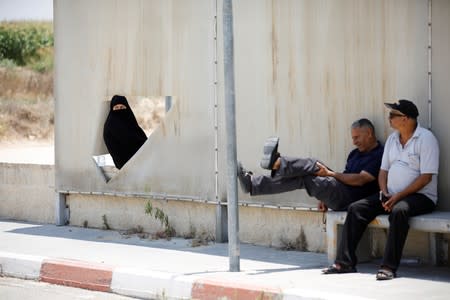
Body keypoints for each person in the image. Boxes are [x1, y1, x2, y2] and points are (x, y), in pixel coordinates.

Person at [323, 99, 439, 280]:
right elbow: (383, 171)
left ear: (406, 119)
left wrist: (398, 196)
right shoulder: (393, 139)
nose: (389, 118)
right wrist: (384, 193)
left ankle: (388, 267)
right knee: (356, 208)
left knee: (399, 211)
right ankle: (344, 263)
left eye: (393, 115)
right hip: (390, 194)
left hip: (420, 196)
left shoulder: (426, 139)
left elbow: (426, 178)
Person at [237, 118, 384, 211]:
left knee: (313, 166)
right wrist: (324, 196)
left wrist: (330, 174)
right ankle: (255, 182)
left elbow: (360, 180)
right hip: (341, 193)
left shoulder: (379, 154)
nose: (354, 141)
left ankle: (276, 165)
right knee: (309, 171)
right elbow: (344, 177)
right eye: (353, 138)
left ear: (369, 133)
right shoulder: (355, 153)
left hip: (353, 200)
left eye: (357, 137)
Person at [103, 95, 147, 169]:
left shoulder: (130, 122)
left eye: (122, 107)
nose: (120, 110)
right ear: (112, 109)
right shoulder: (111, 125)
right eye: (116, 108)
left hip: (142, 161)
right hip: (127, 167)